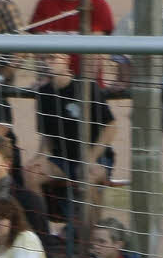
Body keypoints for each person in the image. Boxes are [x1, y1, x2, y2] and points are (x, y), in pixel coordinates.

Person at [24, 53, 116, 227]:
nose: (47, 62)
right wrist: (40, 157)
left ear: (66, 60)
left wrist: (91, 158)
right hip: (62, 160)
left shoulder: (87, 87)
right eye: (45, 59)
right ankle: (42, 235)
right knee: (30, 173)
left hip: (95, 158)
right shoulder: (44, 93)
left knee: (89, 176)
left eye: (52, 58)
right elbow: (47, 137)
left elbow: (111, 126)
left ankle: (89, 238)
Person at [28, 0, 114, 84]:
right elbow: (41, 49)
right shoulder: (44, 4)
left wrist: (85, 83)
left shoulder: (98, 4)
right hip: (50, 81)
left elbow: (94, 51)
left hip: (87, 82)